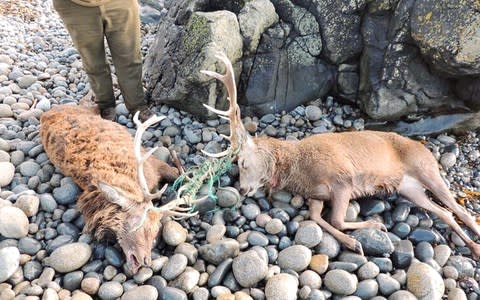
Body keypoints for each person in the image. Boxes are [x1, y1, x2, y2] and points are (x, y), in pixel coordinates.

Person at [52, 0, 154, 122]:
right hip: (75, 6)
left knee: (129, 57)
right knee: (93, 60)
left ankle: (138, 106)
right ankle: (105, 105)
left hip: (120, 3)